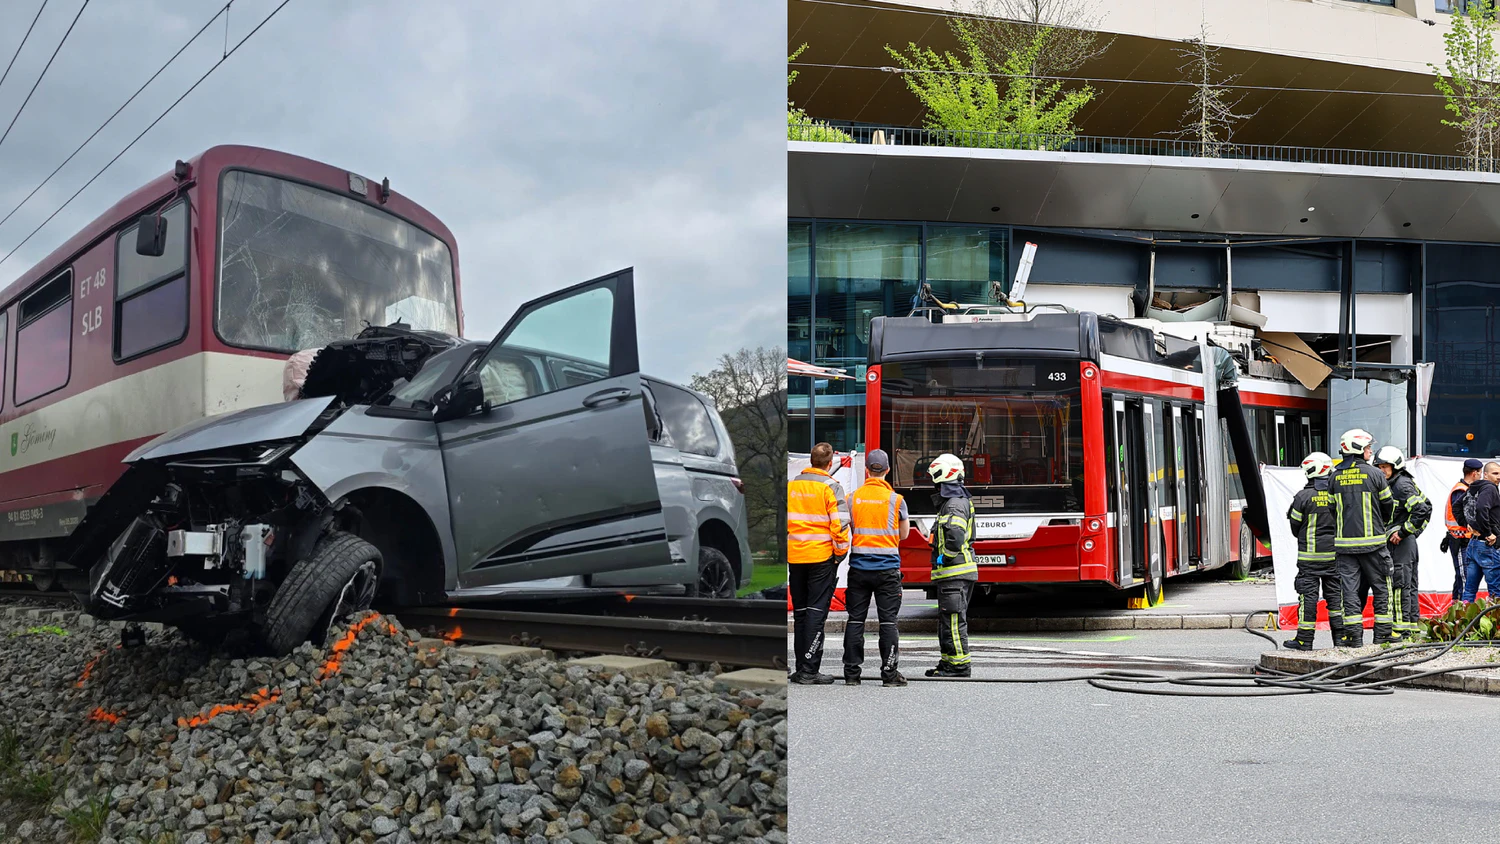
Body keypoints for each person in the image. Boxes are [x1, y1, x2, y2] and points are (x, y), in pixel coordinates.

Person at [842, 449, 909, 687]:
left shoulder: (852, 498)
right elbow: (904, 534)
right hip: (888, 569)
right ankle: (890, 674)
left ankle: (851, 675)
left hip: (859, 568)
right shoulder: (897, 500)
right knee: (888, 622)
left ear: (867, 470)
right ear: (888, 470)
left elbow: (846, 528)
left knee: (855, 621)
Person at [787, 442, 851, 685]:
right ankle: (809, 670)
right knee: (816, 612)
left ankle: (800, 666)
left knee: (801, 613)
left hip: (796, 556)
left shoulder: (792, 486)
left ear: (811, 461)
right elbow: (840, 525)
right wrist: (839, 554)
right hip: (822, 557)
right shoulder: (831, 487)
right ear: (830, 461)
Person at [1331, 429, 1400, 647]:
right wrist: (1382, 525)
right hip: (1374, 545)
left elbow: (1333, 511)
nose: (1371, 451)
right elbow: (1388, 505)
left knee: (1349, 592)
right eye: (1368, 447)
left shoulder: (1334, 477)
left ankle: (1354, 637)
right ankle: (1382, 635)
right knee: (1382, 589)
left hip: (1344, 548)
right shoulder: (1376, 475)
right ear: (1359, 449)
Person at [925, 453, 978, 678]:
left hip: (954, 572)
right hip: (954, 574)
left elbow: (955, 535)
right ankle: (948, 662)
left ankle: (959, 666)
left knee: (954, 621)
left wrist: (945, 557)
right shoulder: (954, 501)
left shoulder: (954, 505)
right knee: (948, 620)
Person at [1284, 452, 1344, 650]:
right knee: (1336, 600)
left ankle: (1304, 641)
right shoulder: (1338, 494)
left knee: (1308, 599)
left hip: (1309, 559)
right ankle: (1341, 641)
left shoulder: (1303, 497)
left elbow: (1294, 526)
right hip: (1335, 558)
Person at [1373, 446, 1431, 636]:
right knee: (1408, 584)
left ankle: (1401, 630)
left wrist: (1405, 532)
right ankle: (1411, 627)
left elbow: (1422, 509)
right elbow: (1427, 506)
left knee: (1400, 585)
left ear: (1395, 466)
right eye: (1379, 466)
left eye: (1385, 467)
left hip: (1401, 544)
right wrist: (1413, 533)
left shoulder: (1401, 485)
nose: (1382, 470)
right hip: (1405, 543)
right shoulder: (1397, 482)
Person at [1442, 459, 1482, 602]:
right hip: (1460, 540)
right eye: (1480, 473)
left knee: (1461, 575)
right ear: (1474, 473)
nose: (1481, 476)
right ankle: (1465, 610)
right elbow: (1464, 514)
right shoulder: (1461, 490)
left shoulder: (1464, 489)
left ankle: (1456, 606)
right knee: (1465, 575)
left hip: (1464, 539)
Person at [1460, 461, 1500, 603]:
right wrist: (1488, 532)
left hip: (1474, 545)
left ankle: (1463, 622)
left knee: (1469, 590)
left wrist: (1467, 524)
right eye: (1495, 473)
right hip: (1487, 546)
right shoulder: (1490, 488)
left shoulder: (1474, 487)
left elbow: (1457, 505)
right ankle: (1496, 623)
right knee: (1496, 591)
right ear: (1485, 474)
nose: (1499, 477)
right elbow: (1483, 508)